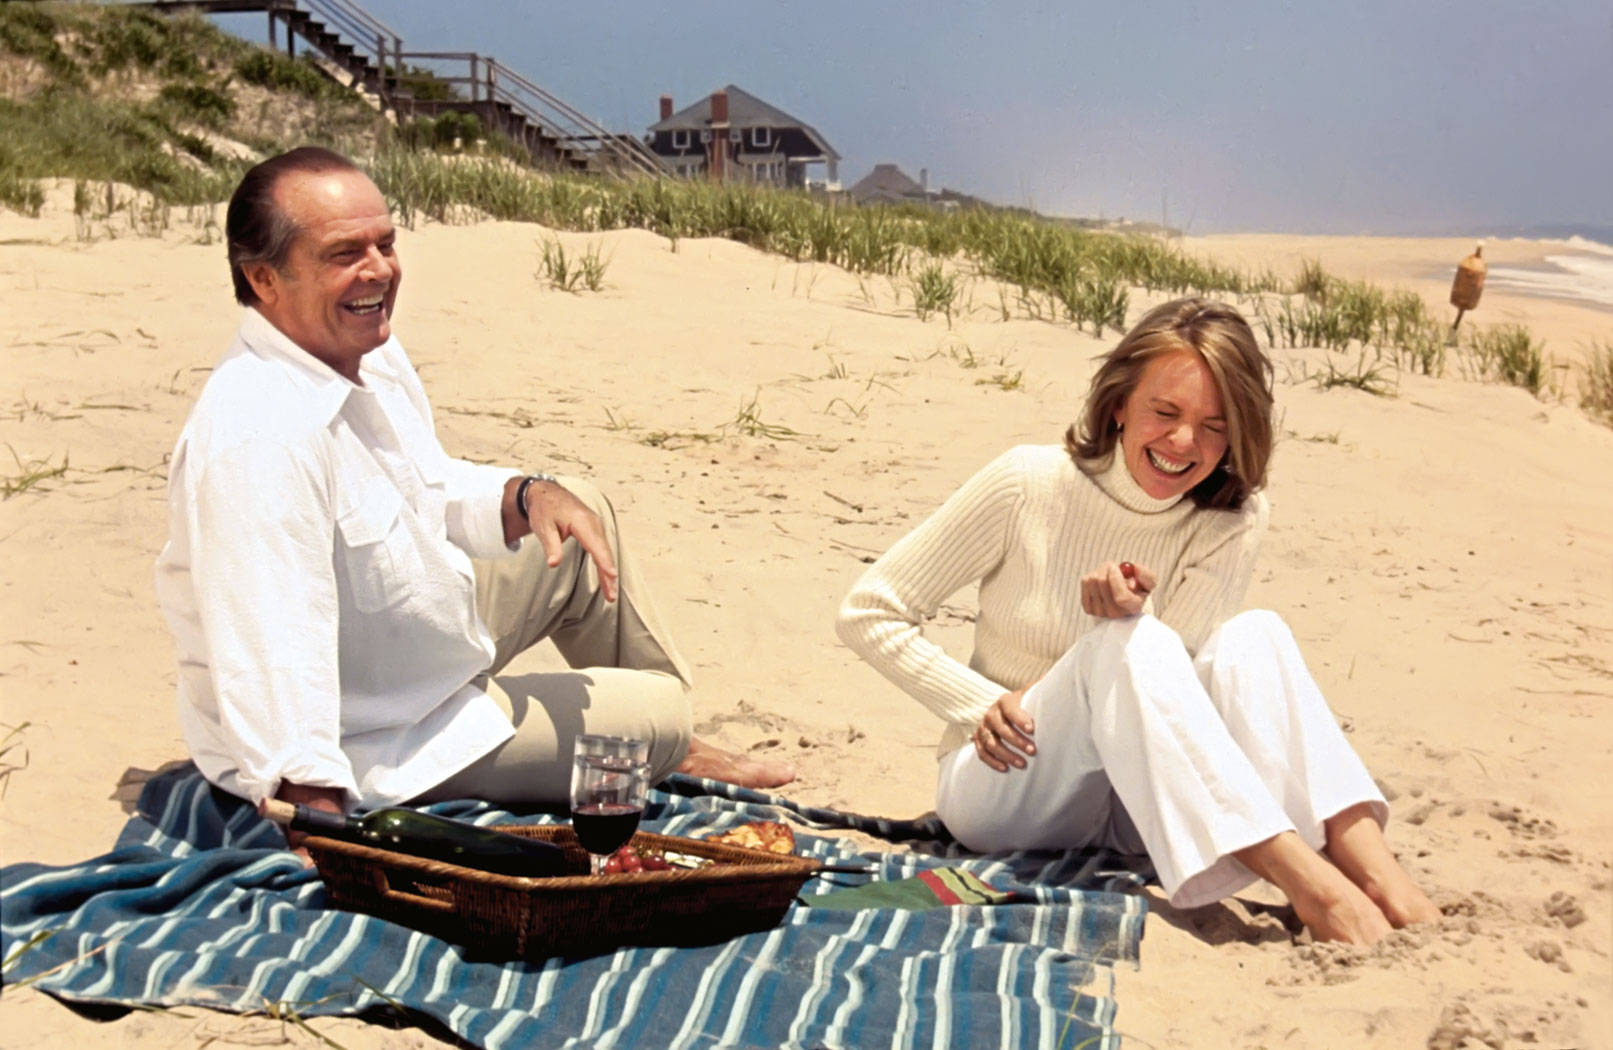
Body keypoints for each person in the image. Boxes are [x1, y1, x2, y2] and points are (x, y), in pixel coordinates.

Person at [154, 147, 791, 848]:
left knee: (577, 510)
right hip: (380, 734)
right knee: (658, 714)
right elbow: (269, 637)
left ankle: (678, 746)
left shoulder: (361, 351)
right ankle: (668, 739)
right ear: (263, 278)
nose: (379, 270)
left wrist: (525, 496)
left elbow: (423, 484)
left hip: (410, 646)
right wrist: (310, 800)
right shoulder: (256, 438)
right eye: (344, 254)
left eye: (385, 243)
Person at [836, 297, 1438, 945]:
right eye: (1165, 412)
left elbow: (1170, 694)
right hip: (1008, 781)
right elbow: (870, 611)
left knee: (1254, 635)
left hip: (1138, 810)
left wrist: (1131, 617)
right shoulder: (1027, 483)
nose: (1183, 443)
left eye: (1214, 426)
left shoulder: (1232, 518)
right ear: (1120, 402)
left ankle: (1379, 875)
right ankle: (1309, 882)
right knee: (1124, 641)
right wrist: (982, 705)